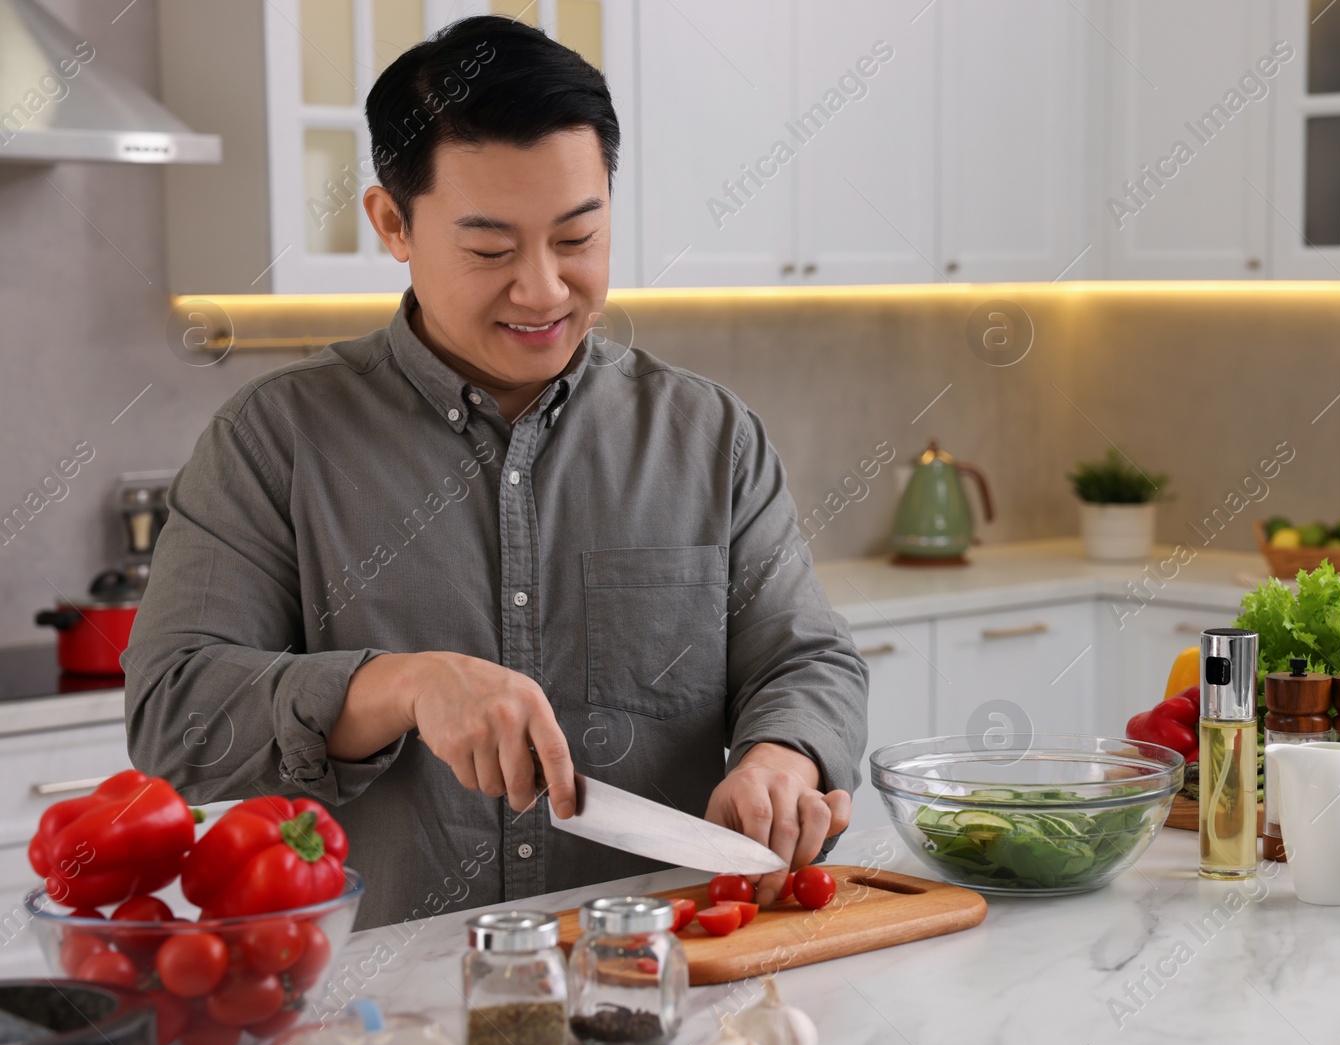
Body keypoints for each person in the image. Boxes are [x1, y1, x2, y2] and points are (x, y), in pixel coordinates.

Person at [124, 15, 868, 930]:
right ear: (392, 222)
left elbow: (805, 657)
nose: (545, 290)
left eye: (577, 238)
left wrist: (782, 758)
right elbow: (176, 717)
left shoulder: (710, 436)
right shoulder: (273, 439)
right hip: (389, 1019)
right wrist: (397, 685)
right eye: (490, 250)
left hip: (659, 984)